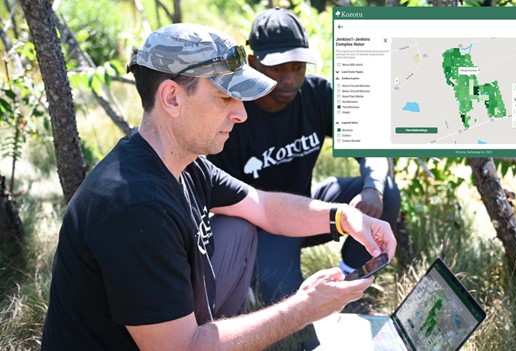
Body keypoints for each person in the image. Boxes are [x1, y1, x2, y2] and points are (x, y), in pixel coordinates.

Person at [40, 23, 396, 350]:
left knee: (241, 224)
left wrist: (343, 217)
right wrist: (304, 308)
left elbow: (263, 206)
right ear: (172, 98)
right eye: (225, 98)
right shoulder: (135, 206)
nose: (241, 114)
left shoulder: (184, 164)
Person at [208, 8, 401, 303]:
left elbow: (368, 143)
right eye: (278, 68)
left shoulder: (318, 94)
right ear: (252, 63)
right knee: (290, 308)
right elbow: (217, 201)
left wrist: (372, 187)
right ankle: (250, 284)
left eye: (298, 67)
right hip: (258, 225)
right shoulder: (233, 114)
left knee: (383, 188)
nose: (289, 79)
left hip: (307, 209)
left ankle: (350, 278)